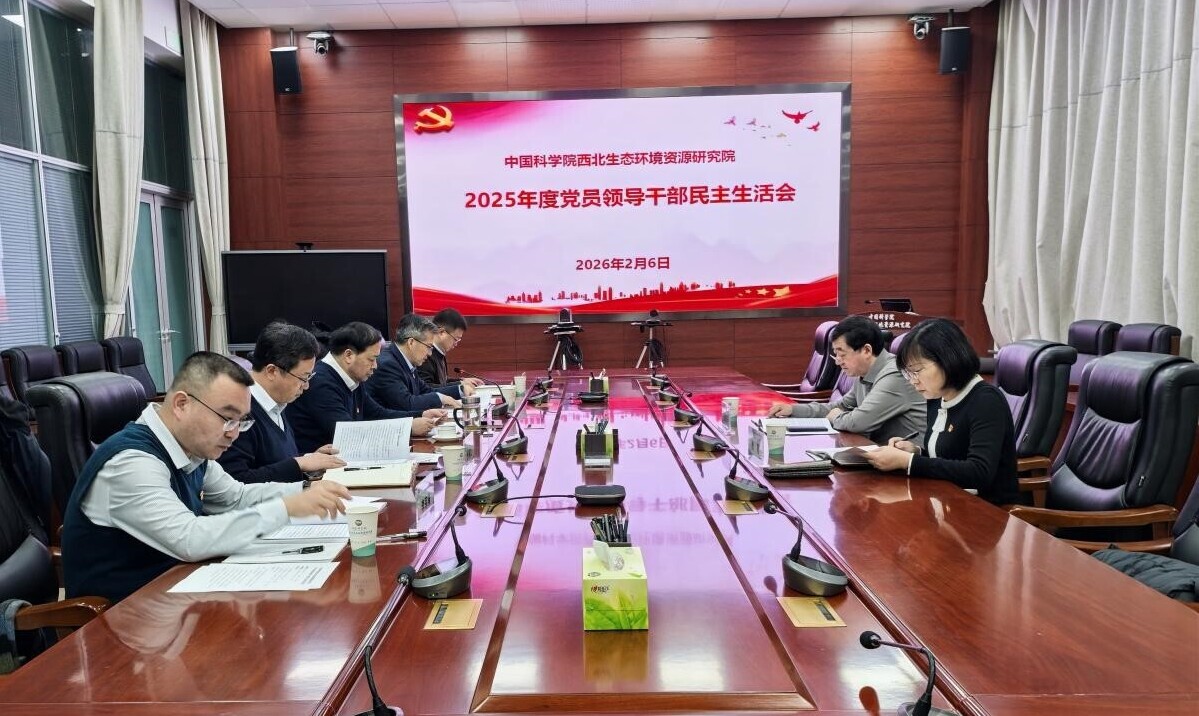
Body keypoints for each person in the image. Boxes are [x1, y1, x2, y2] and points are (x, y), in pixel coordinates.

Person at [61, 352, 351, 603]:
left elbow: (234, 497)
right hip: (123, 617)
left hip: (176, 593)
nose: (234, 433)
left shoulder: (191, 448)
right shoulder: (132, 463)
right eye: (227, 418)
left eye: (241, 421)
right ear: (181, 404)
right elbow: (190, 539)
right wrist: (286, 508)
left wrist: (306, 490)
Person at [863, 318, 1019, 505]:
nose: (913, 381)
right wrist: (916, 451)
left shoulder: (985, 400)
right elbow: (949, 457)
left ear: (948, 359)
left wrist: (909, 461)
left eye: (917, 371)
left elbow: (979, 472)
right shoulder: (937, 397)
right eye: (908, 373)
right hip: (945, 500)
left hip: (985, 509)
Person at [286, 321, 443, 454]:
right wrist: (408, 427)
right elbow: (349, 434)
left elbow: (376, 413)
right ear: (348, 355)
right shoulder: (320, 383)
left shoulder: (352, 376)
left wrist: (420, 414)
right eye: (371, 359)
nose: (375, 366)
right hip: (318, 471)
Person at [218, 322, 347, 483]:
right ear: (272, 371)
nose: (306, 386)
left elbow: (274, 462)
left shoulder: (277, 401)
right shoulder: (239, 412)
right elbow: (236, 481)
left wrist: (309, 460)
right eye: (303, 378)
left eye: (309, 377)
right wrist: (298, 464)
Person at [766, 316, 925, 444]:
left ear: (866, 350)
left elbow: (858, 422)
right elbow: (839, 406)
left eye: (842, 354)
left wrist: (835, 417)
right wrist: (793, 410)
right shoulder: (864, 373)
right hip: (878, 452)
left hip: (908, 464)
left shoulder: (895, 374)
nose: (837, 361)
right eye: (836, 354)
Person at [367, 313, 473, 412]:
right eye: (428, 347)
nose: (430, 353)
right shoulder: (388, 365)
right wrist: (440, 398)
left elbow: (426, 390)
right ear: (411, 342)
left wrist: (460, 390)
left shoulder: (406, 361)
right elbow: (407, 404)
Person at [415, 307, 481, 390]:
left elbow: (442, 382)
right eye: (456, 339)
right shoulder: (425, 354)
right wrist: (459, 385)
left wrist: (462, 381)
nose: (456, 344)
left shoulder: (439, 352)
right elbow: (425, 388)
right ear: (441, 332)